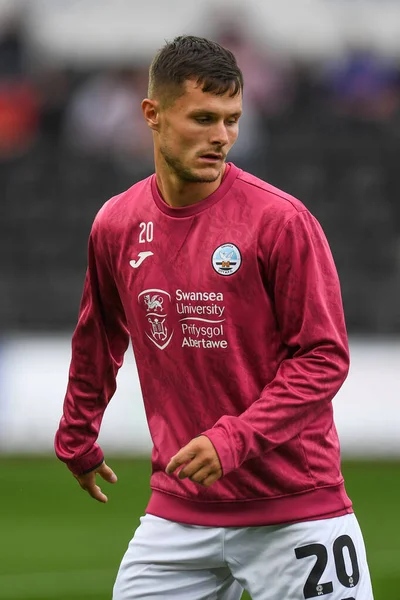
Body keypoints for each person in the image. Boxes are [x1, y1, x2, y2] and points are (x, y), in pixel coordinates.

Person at [55, 35, 374, 600]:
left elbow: (323, 359)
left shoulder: (281, 222)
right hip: (180, 513)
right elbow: (98, 334)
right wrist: (78, 434)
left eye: (231, 120)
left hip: (295, 510)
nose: (222, 137)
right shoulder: (116, 224)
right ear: (152, 115)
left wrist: (232, 441)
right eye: (203, 118)